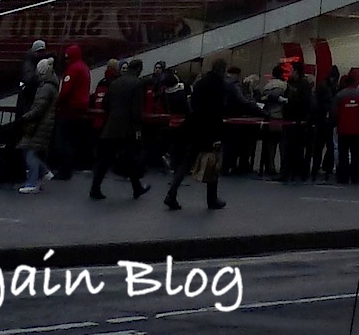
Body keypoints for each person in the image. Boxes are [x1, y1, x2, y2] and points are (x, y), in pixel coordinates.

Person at [164, 58, 228, 212]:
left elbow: (193, 104)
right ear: (222, 70)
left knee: (186, 161)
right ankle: (212, 199)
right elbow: (218, 110)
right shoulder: (219, 86)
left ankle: (172, 193)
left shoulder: (201, 83)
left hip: (194, 126)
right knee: (213, 163)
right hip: (210, 128)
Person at [90, 56, 150, 200]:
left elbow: (105, 104)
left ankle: (95, 187)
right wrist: (137, 128)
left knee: (106, 159)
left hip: (112, 126)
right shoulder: (137, 84)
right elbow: (136, 110)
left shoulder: (115, 83)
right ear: (139, 69)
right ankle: (137, 188)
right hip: (127, 127)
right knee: (131, 157)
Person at [19, 57, 58, 194]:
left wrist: (26, 116)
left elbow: (39, 107)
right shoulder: (51, 85)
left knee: (29, 152)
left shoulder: (45, 88)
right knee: (32, 151)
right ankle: (44, 173)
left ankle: (32, 182)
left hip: (39, 125)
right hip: (44, 124)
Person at [53, 40, 91, 174]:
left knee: (62, 140)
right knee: (73, 140)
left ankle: (64, 169)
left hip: (69, 109)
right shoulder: (84, 67)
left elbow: (66, 91)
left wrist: (56, 103)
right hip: (81, 109)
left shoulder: (73, 69)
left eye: (67, 57)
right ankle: (71, 166)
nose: (66, 60)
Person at [333, 73, 359, 184]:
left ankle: (343, 177)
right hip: (357, 130)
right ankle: (355, 177)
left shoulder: (339, 95)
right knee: (356, 154)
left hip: (343, 130)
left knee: (343, 154)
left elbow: (334, 112)